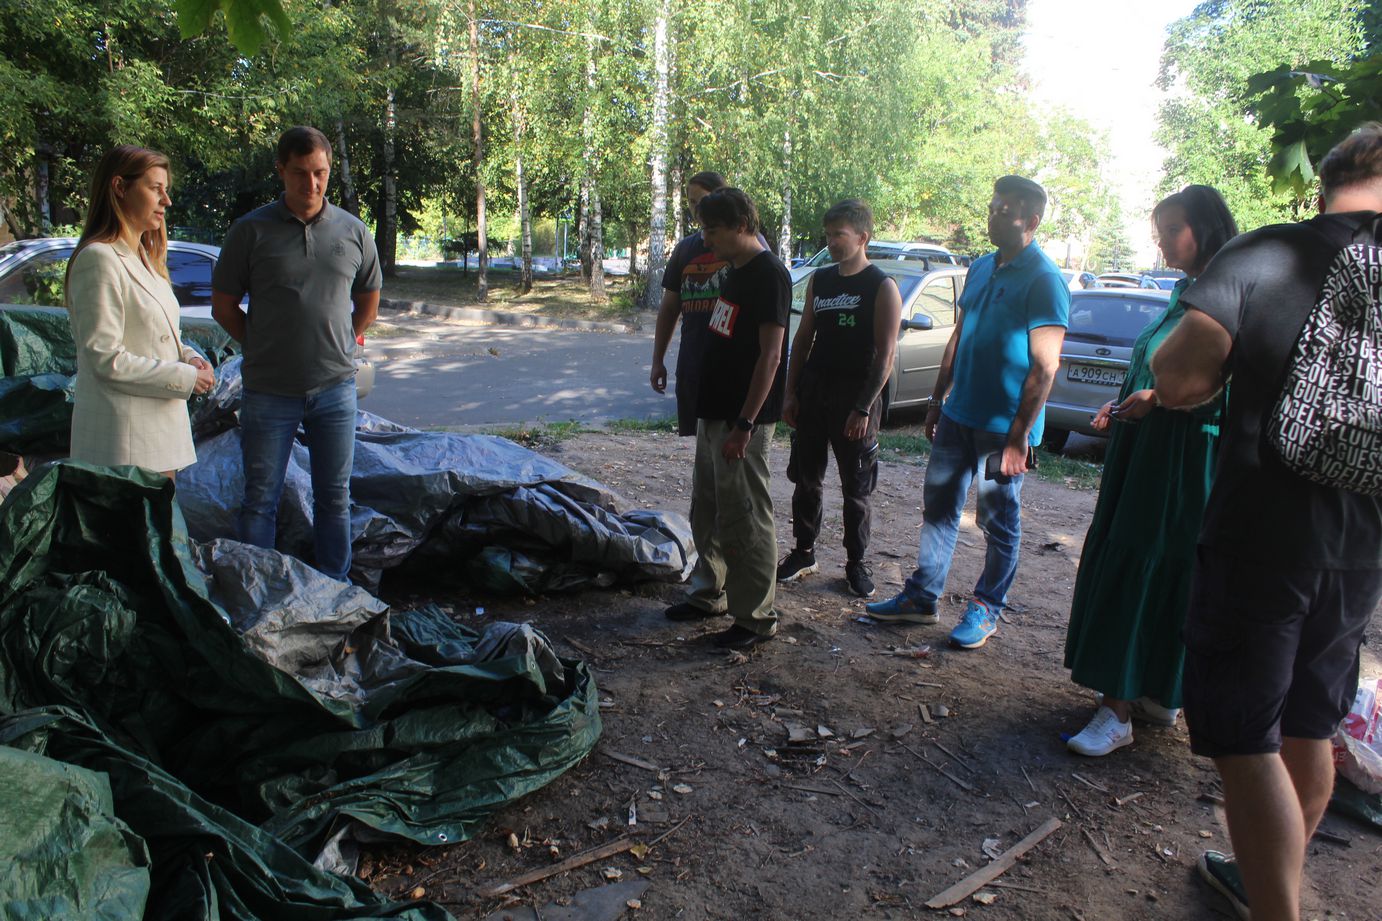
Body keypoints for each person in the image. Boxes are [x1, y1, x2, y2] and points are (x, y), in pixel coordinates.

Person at [1151, 122, 1382, 921]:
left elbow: (1180, 375)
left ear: (1323, 183)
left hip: (1261, 537)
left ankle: (1275, 909)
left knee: (1246, 740)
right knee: (1310, 725)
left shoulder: (1268, 252)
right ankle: (1264, 876)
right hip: (1361, 547)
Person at [1062, 185, 1238, 757]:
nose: (1160, 242)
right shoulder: (1187, 292)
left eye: (1171, 230)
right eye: (1157, 229)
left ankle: (1119, 711)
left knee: (1152, 563)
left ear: (1205, 228)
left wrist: (1157, 402)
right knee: (1144, 559)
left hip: (1181, 464)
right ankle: (1154, 691)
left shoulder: (1232, 296)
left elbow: (1227, 390)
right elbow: (1155, 366)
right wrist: (1124, 405)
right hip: (1147, 456)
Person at [865, 175, 1068, 649]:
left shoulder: (1045, 280)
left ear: (1031, 221)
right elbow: (960, 336)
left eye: (1005, 210)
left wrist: (1019, 437)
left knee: (999, 521)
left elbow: (1045, 366)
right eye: (993, 205)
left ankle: (986, 607)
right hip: (959, 415)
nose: (993, 214)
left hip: (1003, 430)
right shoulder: (979, 268)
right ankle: (923, 598)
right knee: (938, 509)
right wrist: (937, 401)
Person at [211, 126, 382, 582]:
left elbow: (369, 295)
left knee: (335, 497)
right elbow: (224, 306)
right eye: (300, 174)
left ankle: (333, 589)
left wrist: (347, 338)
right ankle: (258, 589)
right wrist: (260, 344)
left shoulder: (353, 231)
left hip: (335, 389)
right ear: (281, 171)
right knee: (260, 498)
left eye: (320, 173)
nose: (312, 184)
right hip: (268, 391)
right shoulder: (250, 232)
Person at [665, 187, 789, 649]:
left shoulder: (769, 275)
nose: (705, 239)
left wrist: (745, 424)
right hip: (713, 412)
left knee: (746, 515)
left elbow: (771, 356)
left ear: (741, 225)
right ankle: (707, 594)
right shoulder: (733, 270)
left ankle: (755, 617)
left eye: (712, 230)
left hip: (742, 421)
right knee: (709, 508)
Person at [65, 145, 216, 479]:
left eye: (167, 191)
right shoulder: (99, 259)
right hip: (125, 445)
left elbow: (159, 336)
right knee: (135, 533)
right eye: (155, 189)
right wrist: (187, 378)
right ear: (120, 187)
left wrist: (190, 357)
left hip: (158, 438)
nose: (167, 201)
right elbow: (105, 359)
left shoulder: (144, 258)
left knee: (159, 531)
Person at [776, 199, 902, 598]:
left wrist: (863, 407)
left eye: (839, 235)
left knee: (856, 489)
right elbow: (803, 336)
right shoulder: (821, 280)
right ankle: (804, 551)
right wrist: (790, 392)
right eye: (828, 235)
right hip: (816, 391)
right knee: (806, 480)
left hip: (855, 397)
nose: (831, 242)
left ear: (862, 237)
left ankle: (856, 563)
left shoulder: (881, 286)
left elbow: (886, 355)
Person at [650, 170, 730, 436]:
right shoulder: (685, 249)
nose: (697, 209)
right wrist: (658, 360)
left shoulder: (740, 249)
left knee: (727, 449)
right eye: (691, 202)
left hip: (728, 369)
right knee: (702, 450)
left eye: (702, 200)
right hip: (692, 364)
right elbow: (670, 308)